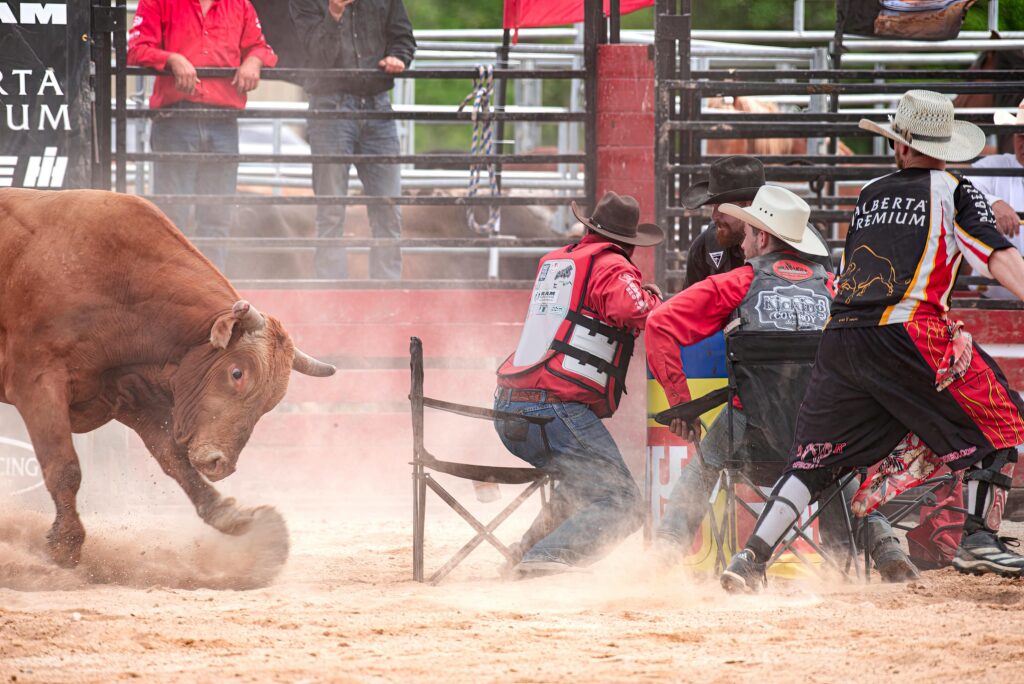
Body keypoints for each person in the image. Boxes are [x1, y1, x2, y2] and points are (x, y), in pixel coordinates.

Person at [721, 90, 1024, 593]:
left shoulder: (870, 194)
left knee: (815, 458)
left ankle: (751, 558)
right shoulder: (956, 190)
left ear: (900, 146)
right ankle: (976, 537)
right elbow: (996, 258)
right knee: (1002, 414)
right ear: (944, 146)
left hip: (842, 339)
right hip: (910, 330)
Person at [646, 185, 918, 581]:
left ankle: (666, 552)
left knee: (701, 467)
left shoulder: (737, 282)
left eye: (749, 231)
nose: (743, 239)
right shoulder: (834, 287)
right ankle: (884, 547)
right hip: (819, 432)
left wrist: (680, 403)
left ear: (763, 237)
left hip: (753, 434)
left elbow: (659, 323)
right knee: (838, 467)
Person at [494, 191, 664, 578]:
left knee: (582, 487)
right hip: (552, 409)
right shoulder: (612, 266)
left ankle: (522, 557)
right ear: (627, 243)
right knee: (623, 501)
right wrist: (656, 301)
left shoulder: (557, 261)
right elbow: (631, 309)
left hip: (510, 406)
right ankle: (545, 561)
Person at [127, 0, 278, 271]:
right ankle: (173, 287)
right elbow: (137, 48)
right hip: (177, 118)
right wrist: (172, 59)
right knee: (174, 216)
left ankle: (211, 290)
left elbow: (260, 47)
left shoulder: (240, 5)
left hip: (220, 120)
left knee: (217, 214)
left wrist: (254, 61)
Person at [289, 0, 416, 281]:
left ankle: (385, 289)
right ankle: (333, 291)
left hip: (375, 104)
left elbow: (403, 37)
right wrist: (334, 14)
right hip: (330, 106)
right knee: (331, 209)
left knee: (387, 207)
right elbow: (317, 57)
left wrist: (399, 56)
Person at [680, 156, 832, 287]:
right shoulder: (706, 246)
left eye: (722, 207)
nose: (714, 216)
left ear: (749, 205)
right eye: (713, 205)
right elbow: (688, 311)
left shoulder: (803, 243)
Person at [967, 99, 1024, 253]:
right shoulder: (994, 166)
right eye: (1020, 136)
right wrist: (991, 202)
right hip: (995, 273)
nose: (1023, 144)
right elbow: (960, 188)